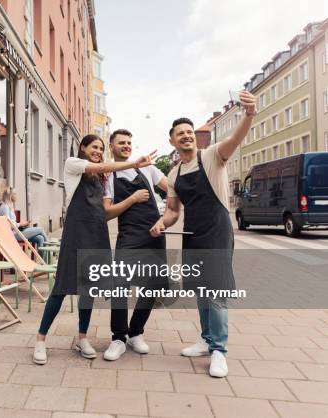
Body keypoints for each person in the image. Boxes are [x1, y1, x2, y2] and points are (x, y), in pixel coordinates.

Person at [149, 91, 256, 378]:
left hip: (217, 232)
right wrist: (162, 223)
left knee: (216, 291)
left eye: (189, 132)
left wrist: (249, 115)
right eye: (179, 133)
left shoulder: (211, 156)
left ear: (194, 136)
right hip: (192, 234)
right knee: (199, 290)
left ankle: (219, 350)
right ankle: (206, 340)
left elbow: (235, 139)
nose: (185, 136)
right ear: (171, 140)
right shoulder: (173, 175)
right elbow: (173, 210)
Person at [33, 134, 156, 365]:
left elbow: (106, 211)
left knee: (88, 288)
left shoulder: (102, 178)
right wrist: (133, 163)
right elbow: (100, 165)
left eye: (100, 148)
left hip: (97, 234)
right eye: (94, 147)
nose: (98, 151)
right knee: (61, 288)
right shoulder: (73, 165)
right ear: (83, 148)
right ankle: (40, 339)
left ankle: (82, 338)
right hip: (76, 233)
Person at [102, 129, 169, 360]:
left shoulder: (147, 168)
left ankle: (136, 332)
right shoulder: (108, 175)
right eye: (121, 142)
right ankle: (118, 338)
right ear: (111, 147)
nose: (126, 146)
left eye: (129, 142)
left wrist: (166, 217)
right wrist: (131, 199)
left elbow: (172, 189)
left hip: (154, 233)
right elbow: (107, 213)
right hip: (129, 235)